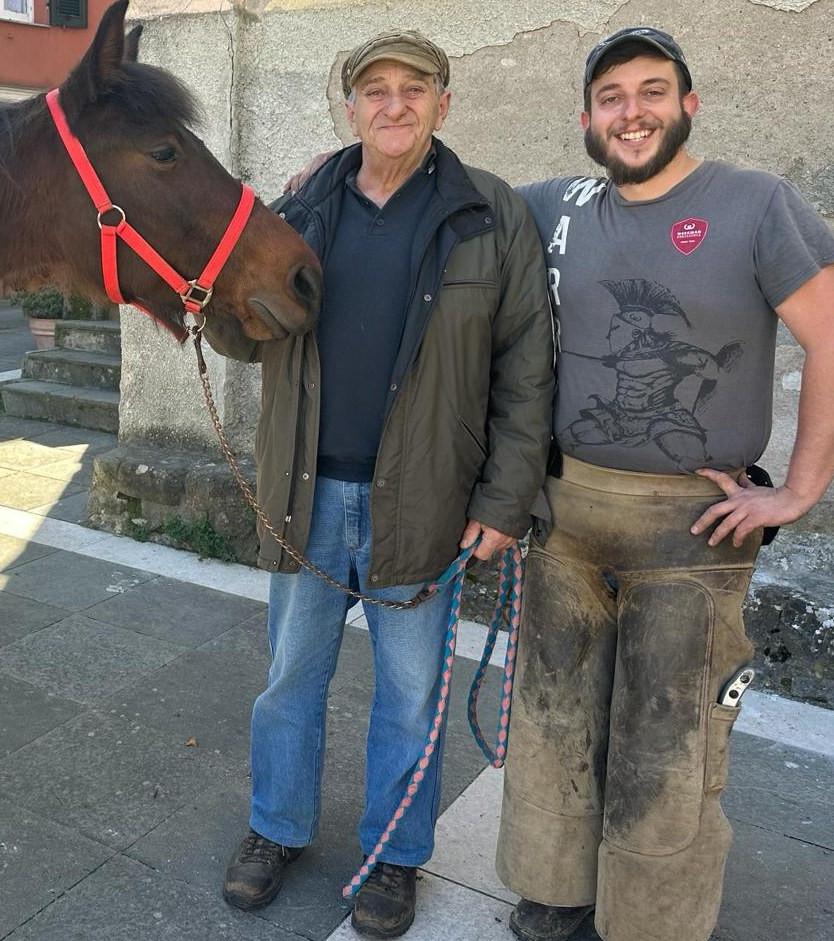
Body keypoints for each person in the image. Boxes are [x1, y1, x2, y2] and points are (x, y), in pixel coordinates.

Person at [493, 28, 834, 941]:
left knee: (669, 741)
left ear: (687, 104)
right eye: (612, 96)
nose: (633, 112)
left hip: (692, 530)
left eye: (652, 91)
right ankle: (555, 890)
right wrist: (331, 169)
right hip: (567, 512)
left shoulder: (755, 203)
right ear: (586, 117)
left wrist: (796, 494)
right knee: (552, 718)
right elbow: (447, 200)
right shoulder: (556, 205)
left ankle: (650, 920)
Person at [201, 28, 555, 940]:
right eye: (374, 90)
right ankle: (276, 829)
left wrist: (504, 501)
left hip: (426, 500)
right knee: (290, 678)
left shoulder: (492, 214)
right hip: (305, 492)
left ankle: (394, 854)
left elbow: (526, 371)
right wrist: (207, 283)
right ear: (349, 106)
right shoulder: (303, 204)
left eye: (414, 89)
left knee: (409, 691)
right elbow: (242, 338)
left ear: (444, 103)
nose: (393, 105)